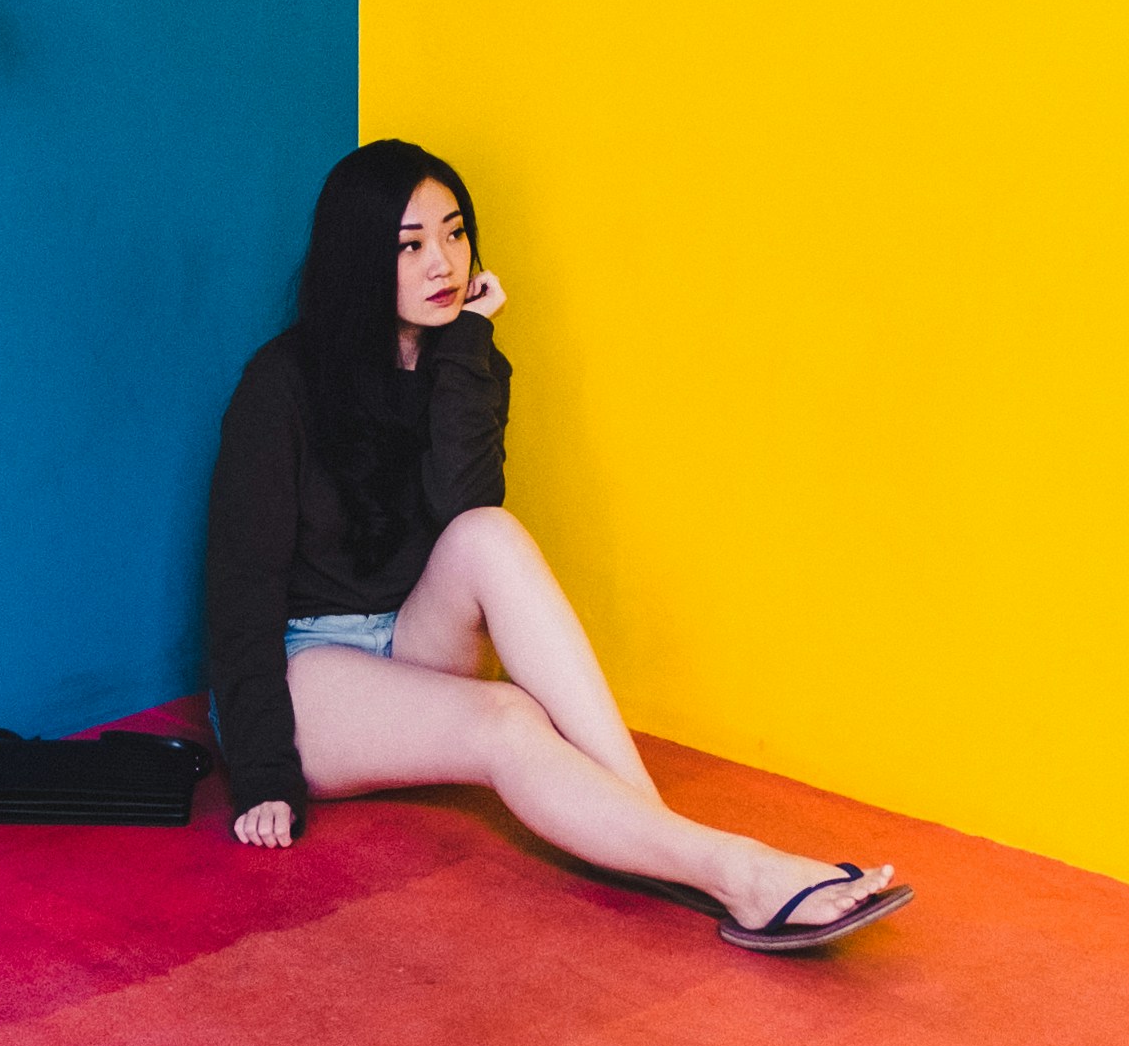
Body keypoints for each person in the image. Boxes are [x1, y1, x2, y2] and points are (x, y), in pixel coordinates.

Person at [201, 140, 909, 953]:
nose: (443, 261)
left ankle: (650, 825)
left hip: (408, 640)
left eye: (455, 233)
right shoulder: (280, 385)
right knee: (506, 718)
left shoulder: (456, 359)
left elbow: (463, 508)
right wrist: (261, 772)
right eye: (410, 244)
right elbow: (239, 587)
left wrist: (467, 344)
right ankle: (738, 872)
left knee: (489, 535)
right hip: (307, 673)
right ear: (359, 256)